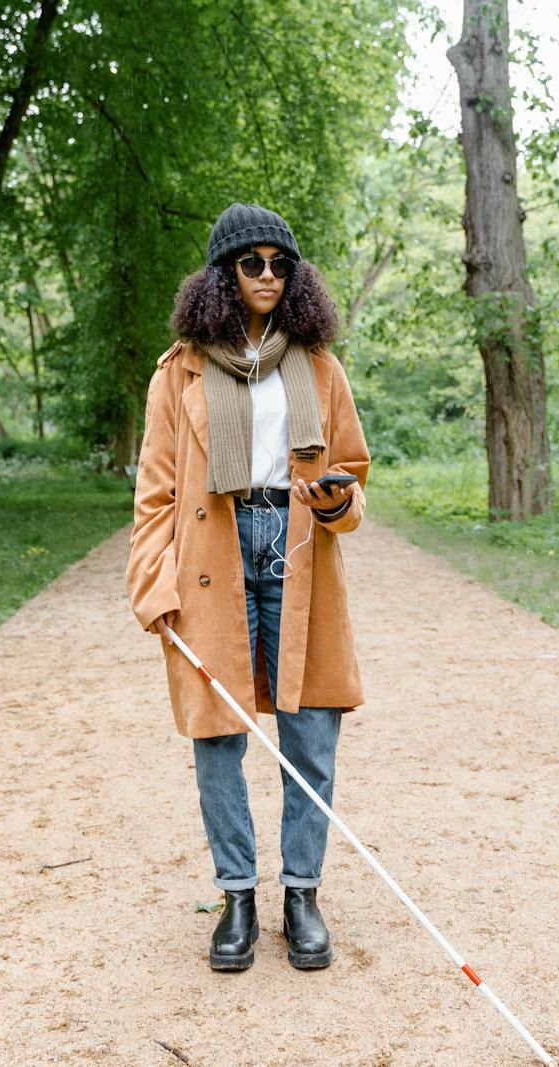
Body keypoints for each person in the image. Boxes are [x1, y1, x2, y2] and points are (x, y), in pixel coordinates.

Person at [125, 202, 371, 973]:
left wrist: (340, 500)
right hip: (213, 557)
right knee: (217, 738)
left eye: (280, 264)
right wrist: (152, 586)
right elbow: (155, 492)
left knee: (311, 735)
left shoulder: (320, 367)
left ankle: (302, 894)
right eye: (251, 263)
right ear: (222, 276)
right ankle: (237, 895)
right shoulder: (182, 370)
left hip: (298, 555)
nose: (267, 275)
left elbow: (354, 472)